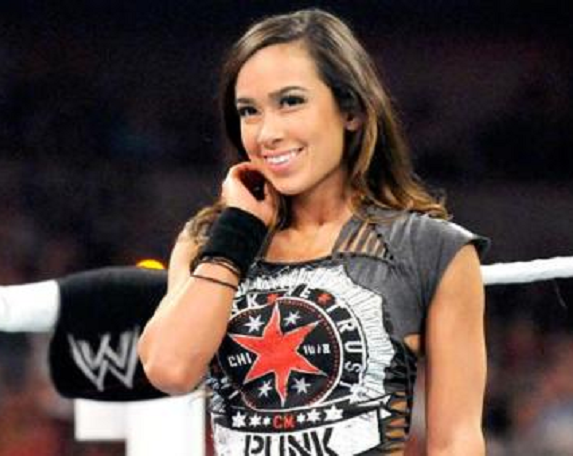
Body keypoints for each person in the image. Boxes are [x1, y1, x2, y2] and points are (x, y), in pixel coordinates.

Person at [137, 8, 488, 455]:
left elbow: (456, 441)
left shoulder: (432, 249)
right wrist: (237, 233)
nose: (268, 133)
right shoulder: (208, 238)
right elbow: (169, 369)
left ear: (351, 111)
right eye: (249, 111)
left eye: (291, 101)